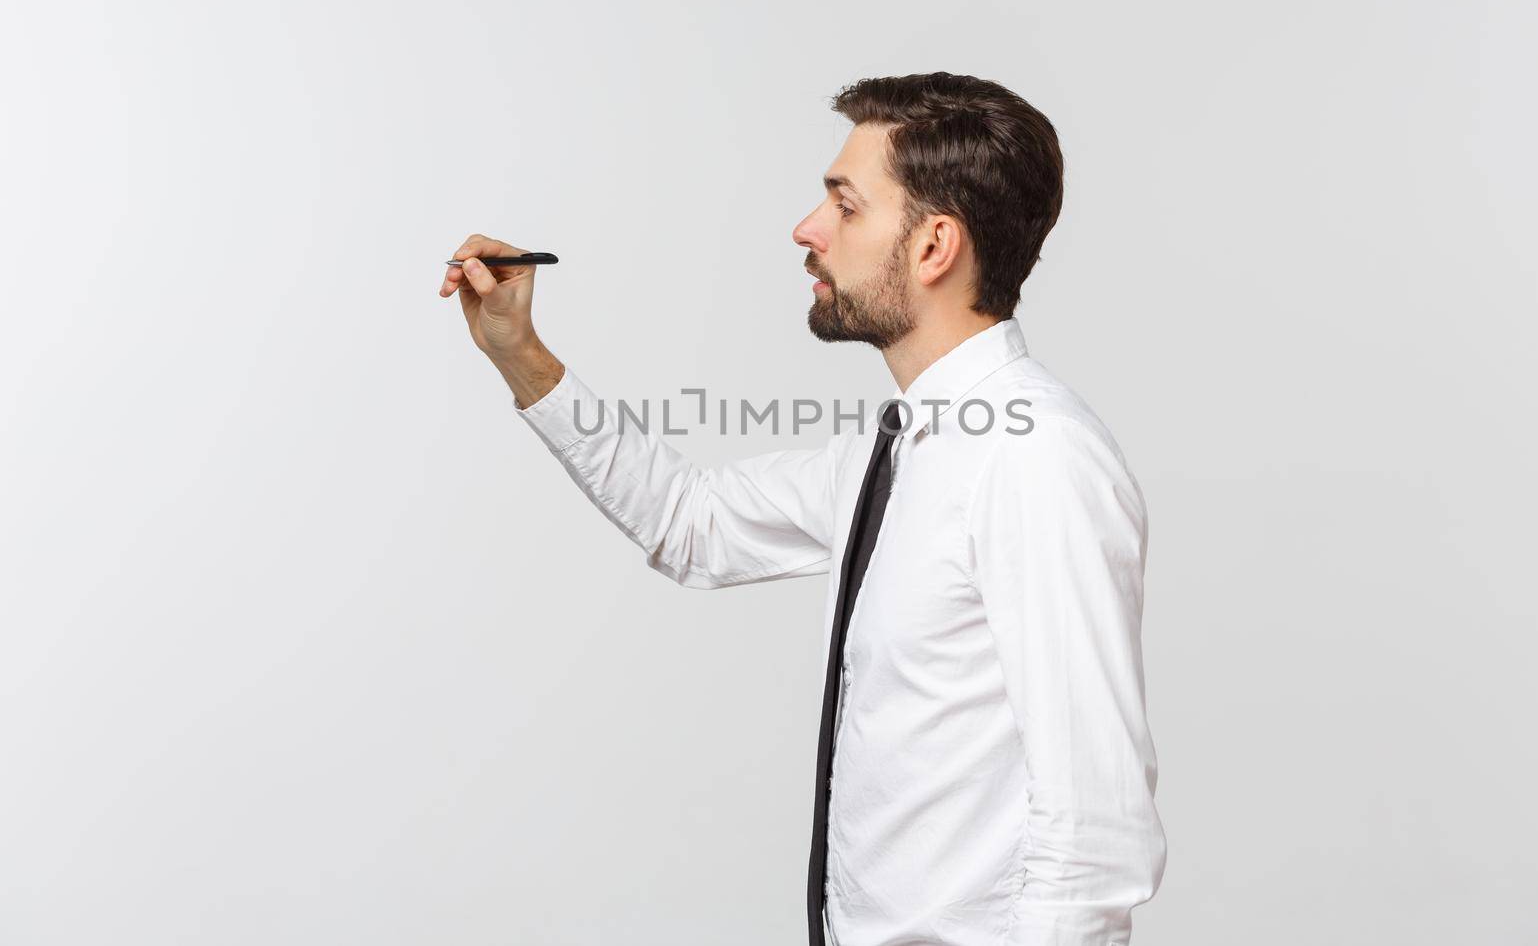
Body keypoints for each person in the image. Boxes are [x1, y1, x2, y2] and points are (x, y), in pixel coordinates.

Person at [438, 71, 1166, 946]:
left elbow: (1098, 831)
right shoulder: (895, 449)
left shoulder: (1034, 458)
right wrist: (521, 353)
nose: (807, 229)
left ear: (935, 246)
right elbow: (689, 522)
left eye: (846, 206)